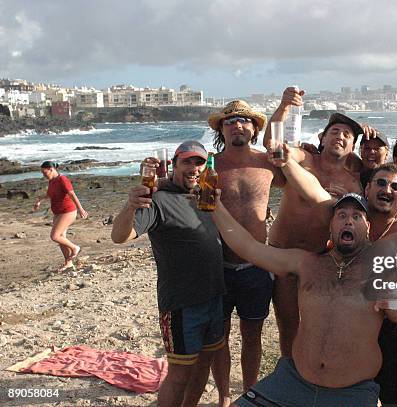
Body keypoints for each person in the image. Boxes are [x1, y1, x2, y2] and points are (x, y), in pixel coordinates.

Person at [212, 190, 397, 406]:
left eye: (357, 216)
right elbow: (248, 247)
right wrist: (215, 205)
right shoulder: (306, 263)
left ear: (367, 227)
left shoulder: (380, 266)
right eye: (341, 215)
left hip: (352, 392)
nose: (348, 221)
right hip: (293, 383)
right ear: (331, 226)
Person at [269, 149, 397, 406]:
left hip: (393, 325)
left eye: (396, 186)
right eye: (381, 183)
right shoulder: (347, 214)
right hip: (351, 324)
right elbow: (313, 190)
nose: (387, 189)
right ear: (368, 189)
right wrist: (287, 163)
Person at [111, 141, 225, 407]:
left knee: (203, 365)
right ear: (174, 165)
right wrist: (130, 206)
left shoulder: (205, 197)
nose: (194, 168)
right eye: (187, 162)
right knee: (179, 375)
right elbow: (119, 236)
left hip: (214, 297)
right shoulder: (157, 200)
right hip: (182, 305)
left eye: (199, 162)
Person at [264, 86, 363, 357]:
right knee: (287, 324)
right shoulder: (304, 158)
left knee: (315, 324)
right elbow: (274, 144)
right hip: (282, 254)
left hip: (319, 260)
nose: (340, 137)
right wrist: (284, 106)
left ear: (353, 147)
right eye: (334, 131)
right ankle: (288, 370)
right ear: (322, 137)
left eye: (347, 135)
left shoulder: (353, 182)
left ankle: (311, 373)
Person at [206, 100, 286, 407]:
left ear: (254, 128)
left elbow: (296, 184)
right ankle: (225, 395)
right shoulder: (210, 165)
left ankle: (251, 391)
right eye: (230, 121)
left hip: (256, 265)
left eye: (244, 121)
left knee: (252, 334)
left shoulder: (268, 162)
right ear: (221, 129)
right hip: (218, 264)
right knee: (219, 337)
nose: (237, 125)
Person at [33, 161, 88, 272]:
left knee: (55, 236)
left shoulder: (62, 179)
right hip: (58, 213)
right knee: (61, 238)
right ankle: (68, 263)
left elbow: (72, 194)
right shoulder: (51, 181)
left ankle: (75, 248)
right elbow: (49, 195)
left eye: (44, 172)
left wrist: (80, 209)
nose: (43, 175)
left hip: (68, 211)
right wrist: (40, 200)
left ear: (50, 169)